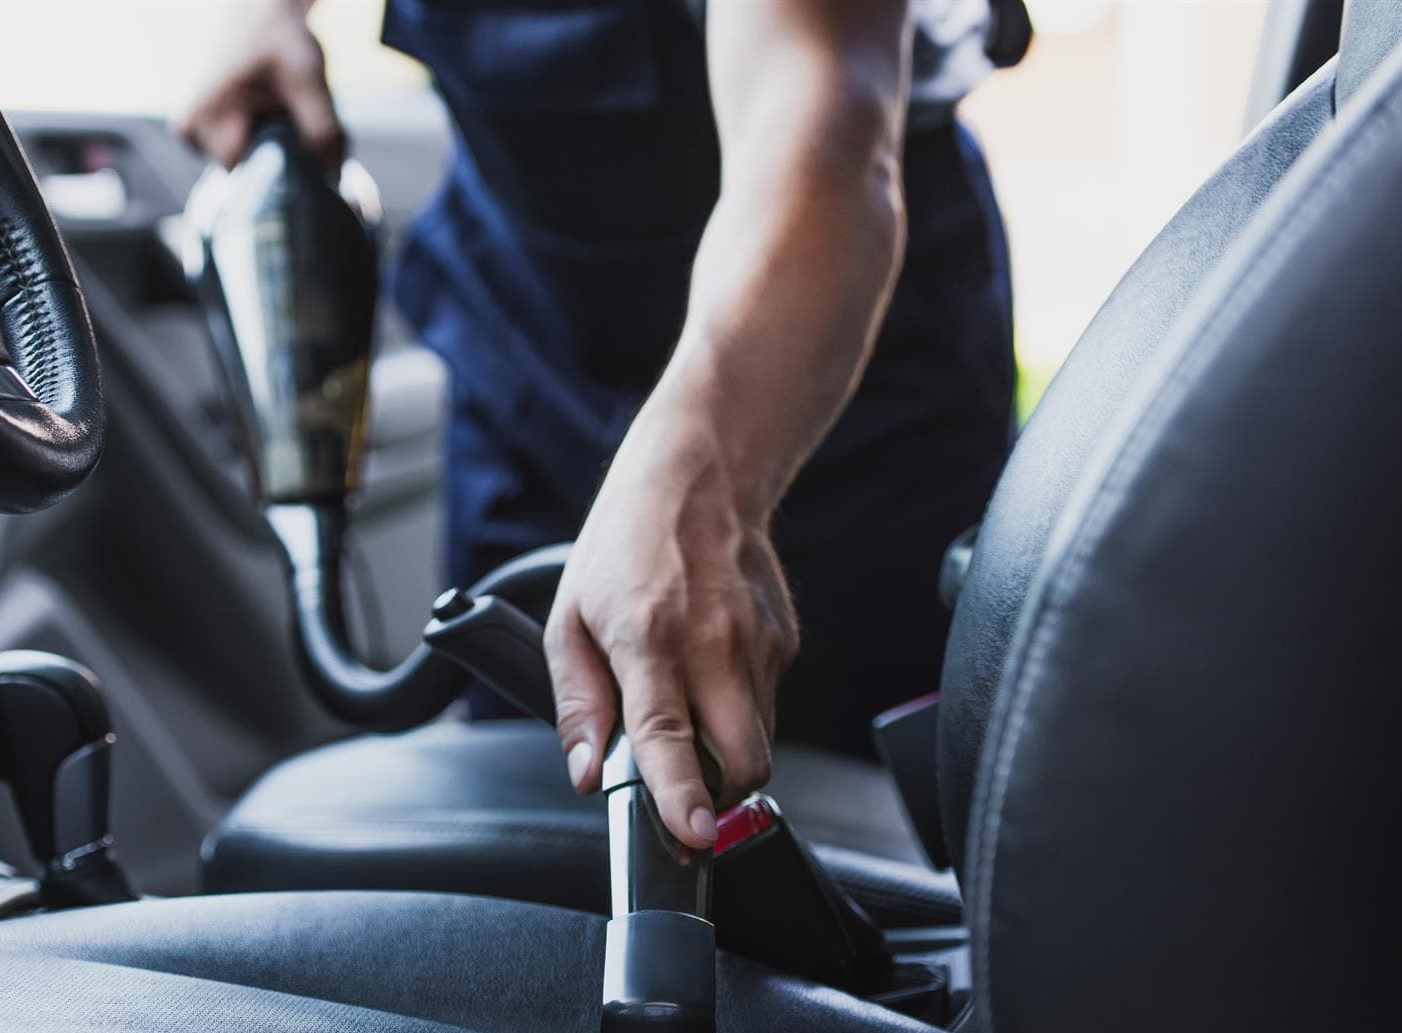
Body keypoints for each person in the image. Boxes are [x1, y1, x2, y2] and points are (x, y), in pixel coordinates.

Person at [186, 0, 1021, 851]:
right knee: (537, 798)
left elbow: (820, 122)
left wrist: (707, 483)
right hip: (528, 316)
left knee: (880, 850)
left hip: (833, 348)